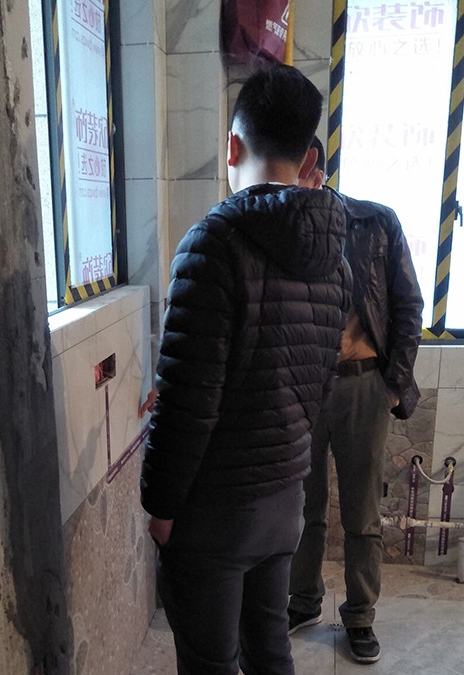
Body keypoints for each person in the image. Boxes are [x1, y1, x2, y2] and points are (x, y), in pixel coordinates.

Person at [140, 65, 352, 675]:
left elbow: (189, 402)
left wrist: (161, 507)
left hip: (215, 512)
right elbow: (317, 387)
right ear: (307, 156)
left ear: (232, 147)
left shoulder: (212, 246)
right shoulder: (332, 261)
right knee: (269, 652)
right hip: (284, 501)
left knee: (209, 663)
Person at [288, 136, 424, 664]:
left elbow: (409, 304)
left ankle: (360, 616)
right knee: (303, 507)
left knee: (362, 513)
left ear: (312, 168)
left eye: (288, 171)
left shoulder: (374, 222)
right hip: (302, 387)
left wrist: (391, 385)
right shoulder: (279, 230)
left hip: (363, 385)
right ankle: (303, 601)